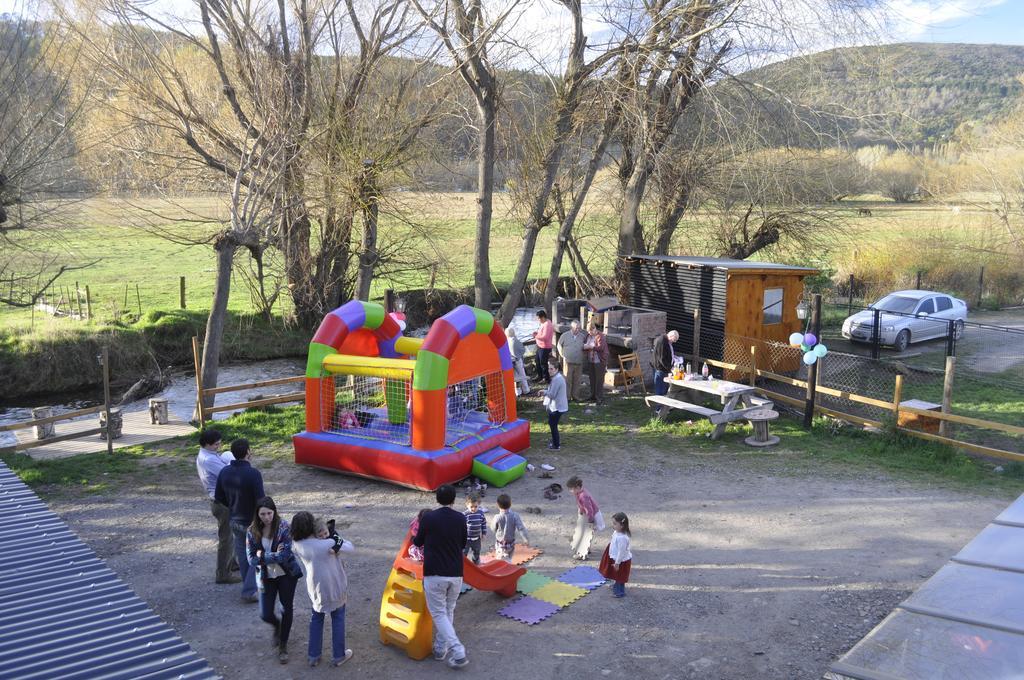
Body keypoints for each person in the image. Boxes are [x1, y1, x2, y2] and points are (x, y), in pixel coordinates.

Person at [412, 484, 469, 669]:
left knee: (438, 613)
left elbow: (418, 541)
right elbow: (462, 543)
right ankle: (440, 648)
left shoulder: (428, 518)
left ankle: (457, 649)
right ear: (453, 500)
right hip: (455, 574)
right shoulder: (460, 518)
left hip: (434, 574)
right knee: (448, 610)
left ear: (437, 499)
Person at [291, 512, 354, 668]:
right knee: (338, 617)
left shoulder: (297, 545)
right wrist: (334, 538)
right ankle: (339, 656)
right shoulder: (326, 543)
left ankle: (314, 656)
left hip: (315, 588)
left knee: (316, 618)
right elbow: (350, 547)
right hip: (334, 585)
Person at [246, 496, 303, 663]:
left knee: (286, 609)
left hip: (286, 575)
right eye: (263, 514)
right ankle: (276, 626)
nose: (267, 517)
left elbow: (284, 555)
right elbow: (251, 560)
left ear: (274, 512)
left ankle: (283, 645)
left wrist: (262, 555)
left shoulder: (284, 527)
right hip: (265, 577)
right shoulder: (251, 531)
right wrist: (273, 555)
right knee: (265, 614)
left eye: (269, 513)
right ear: (257, 514)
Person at [214, 438, 265, 602]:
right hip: (251, 521)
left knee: (243, 554)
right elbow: (260, 500)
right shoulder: (253, 474)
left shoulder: (224, 472)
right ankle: (249, 590)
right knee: (257, 554)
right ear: (248, 452)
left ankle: (248, 584)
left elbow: (219, 497)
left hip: (234, 519)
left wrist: (232, 505)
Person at [195, 429, 240, 584]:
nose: (219, 446)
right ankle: (222, 574)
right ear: (207, 444)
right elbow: (228, 473)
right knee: (226, 538)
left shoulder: (206, 455)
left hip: (219, 501)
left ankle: (232, 564)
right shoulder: (209, 460)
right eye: (216, 444)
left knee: (230, 535)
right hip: (222, 504)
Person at [567, 475, 603, 560]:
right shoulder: (579, 493)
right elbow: (582, 505)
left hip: (591, 516)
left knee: (585, 535)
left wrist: (590, 521)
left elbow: (589, 509)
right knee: (587, 534)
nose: (570, 491)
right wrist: (580, 509)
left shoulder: (583, 496)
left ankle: (582, 554)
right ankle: (587, 549)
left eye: (571, 489)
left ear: (578, 487)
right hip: (587, 515)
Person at [599, 512, 633, 598]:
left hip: (621, 560)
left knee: (620, 576)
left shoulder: (622, 538)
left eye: (615, 524)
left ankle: (619, 592)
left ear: (622, 526)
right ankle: (616, 586)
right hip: (616, 557)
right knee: (616, 575)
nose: (613, 525)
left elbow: (621, 552)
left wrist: (617, 563)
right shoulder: (616, 532)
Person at [492, 493, 529, 562]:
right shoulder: (515, 515)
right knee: (509, 556)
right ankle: (508, 564)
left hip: (501, 543)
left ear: (497, 505)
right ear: (510, 504)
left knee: (501, 560)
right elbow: (521, 528)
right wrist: (525, 539)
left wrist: (497, 531)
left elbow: (493, 528)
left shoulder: (497, 517)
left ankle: (506, 569)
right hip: (511, 542)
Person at [557, 320, 587, 401]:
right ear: (571, 328)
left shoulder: (582, 336)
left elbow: (585, 346)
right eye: (576, 328)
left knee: (577, 380)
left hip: (579, 362)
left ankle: (576, 397)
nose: (578, 330)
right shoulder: (564, 335)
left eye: (579, 328)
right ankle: (567, 397)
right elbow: (559, 345)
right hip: (568, 361)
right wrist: (562, 355)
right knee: (567, 380)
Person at [651, 330, 680, 414]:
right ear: (671, 336)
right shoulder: (661, 342)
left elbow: (668, 354)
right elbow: (662, 358)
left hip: (664, 369)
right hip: (660, 369)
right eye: (674, 340)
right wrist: (670, 369)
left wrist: (674, 359)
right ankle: (659, 409)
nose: (673, 342)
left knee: (665, 388)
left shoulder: (666, 341)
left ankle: (665, 407)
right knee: (660, 389)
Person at [542, 358, 569, 451]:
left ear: (557, 369)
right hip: (558, 406)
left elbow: (552, 394)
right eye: (549, 368)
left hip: (558, 407)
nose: (549, 371)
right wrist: (545, 391)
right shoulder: (557, 377)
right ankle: (555, 441)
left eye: (551, 369)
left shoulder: (557, 379)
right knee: (553, 424)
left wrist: (544, 392)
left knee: (553, 425)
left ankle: (556, 445)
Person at [584, 322, 610, 405]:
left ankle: (599, 397)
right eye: (588, 331)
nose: (590, 332)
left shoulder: (600, 336)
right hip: (591, 360)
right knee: (592, 379)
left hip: (599, 361)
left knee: (599, 380)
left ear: (594, 328)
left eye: (591, 330)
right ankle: (592, 395)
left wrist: (592, 347)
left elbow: (601, 347)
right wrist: (585, 346)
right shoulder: (588, 336)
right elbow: (585, 344)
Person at [505, 326, 531, 396]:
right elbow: (523, 350)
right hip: (518, 360)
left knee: (515, 376)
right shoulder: (515, 340)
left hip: (511, 360)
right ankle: (526, 390)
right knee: (522, 375)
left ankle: (517, 392)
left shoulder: (506, 341)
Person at [463, 493, 487, 564]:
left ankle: (476, 563)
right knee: (464, 552)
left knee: (477, 551)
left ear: (479, 505)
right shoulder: (465, 514)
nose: (474, 508)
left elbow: (483, 523)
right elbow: (461, 526)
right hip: (466, 539)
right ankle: (464, 564)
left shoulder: (480, 513)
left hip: (476, 538)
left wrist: (484, 533)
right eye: (471, 506)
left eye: (476, 506)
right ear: (467, 505)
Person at [532, 310, 554, 384]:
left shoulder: (547, 324)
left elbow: (545, 337)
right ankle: (540, 376)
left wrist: (536, 336)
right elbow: (541, 333)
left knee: (543, 363)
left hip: (545, 347)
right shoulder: (543, 323)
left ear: (543, 317)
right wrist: (537, 333)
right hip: (540, 346)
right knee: (537, 361)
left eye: (539, 318)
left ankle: (546, 378)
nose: (538, 320)